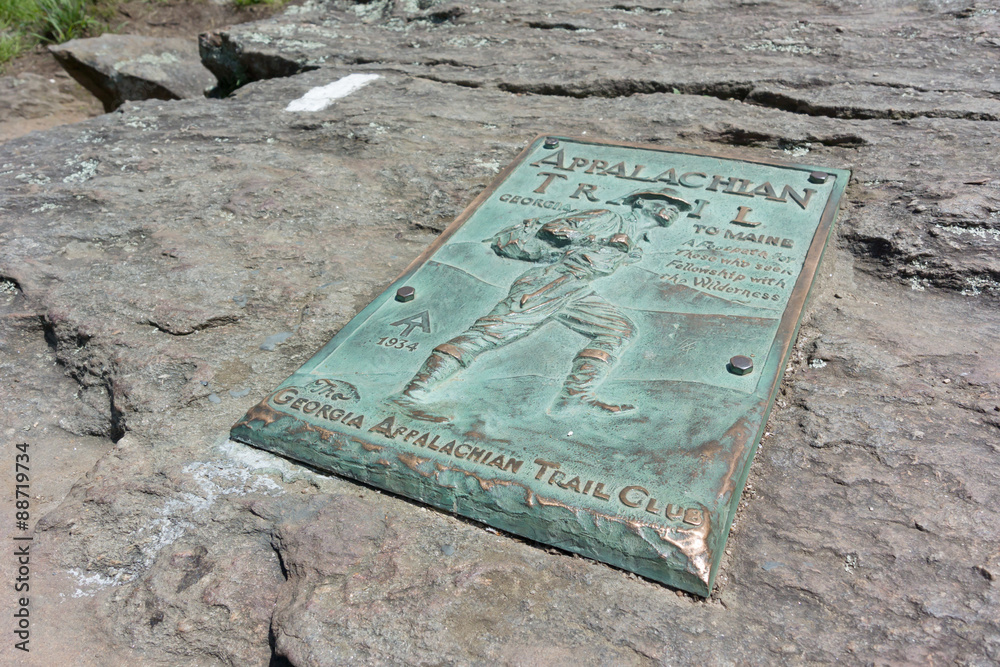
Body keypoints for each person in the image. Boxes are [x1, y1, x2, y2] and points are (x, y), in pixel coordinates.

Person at [398, 187, 692, 414]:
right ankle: (411, 394)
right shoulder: (610, 218)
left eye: (677, 208)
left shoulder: (636, 237)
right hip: (550, 281)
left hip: (576, 288)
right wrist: (599, 241)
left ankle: (574, 398)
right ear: (639, 202)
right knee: (491, 334)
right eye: (664, 202)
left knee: (618, 330)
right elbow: (553, 229)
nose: (672, 210)